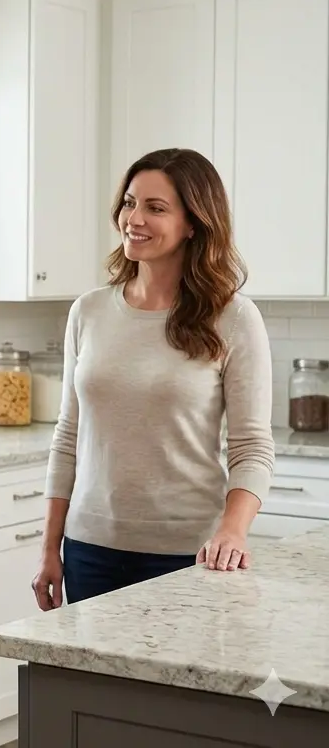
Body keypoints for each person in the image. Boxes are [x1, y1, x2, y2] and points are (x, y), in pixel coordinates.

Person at [31, 147, 275, 611]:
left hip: (189, 552)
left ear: (194, 223)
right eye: (128, 202)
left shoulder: (234, 318)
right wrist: (50, 548)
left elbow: (252, 446)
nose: (133, 218)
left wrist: (232, 530)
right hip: (88, 548)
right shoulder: (89, 311)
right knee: (91, 685)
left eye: (155, 207)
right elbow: (68, 437)